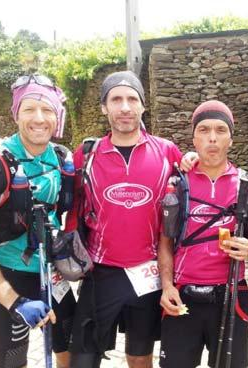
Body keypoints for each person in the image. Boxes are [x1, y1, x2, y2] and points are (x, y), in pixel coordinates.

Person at [64, 71, 182, 368]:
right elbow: (69, 202)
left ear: (143, 106)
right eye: (116, 99)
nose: (125, 107)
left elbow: (192, 197)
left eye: (132, 99)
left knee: (140, 356)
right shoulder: (87, 155)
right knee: (83, 358)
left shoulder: (167, 152)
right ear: (104, 107)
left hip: (148, 273)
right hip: (100, 273)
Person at [0, 75, 76, 368]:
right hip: (7, 277)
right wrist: (15, 302)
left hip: (51, 274)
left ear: (57, 116)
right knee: (13, 362)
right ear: (16, 114)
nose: (39, 118)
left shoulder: (62, 159)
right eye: (29, 109)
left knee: (71, 352)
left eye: (47, 109)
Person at [157, 100, 248, 368]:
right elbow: (165, 242)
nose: (212, 138)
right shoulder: (177, 184)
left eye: (220, 130)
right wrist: (167, 286)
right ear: (193, 137)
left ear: (231, 138)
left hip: (231, 293)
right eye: (204, 130)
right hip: (182, 294)